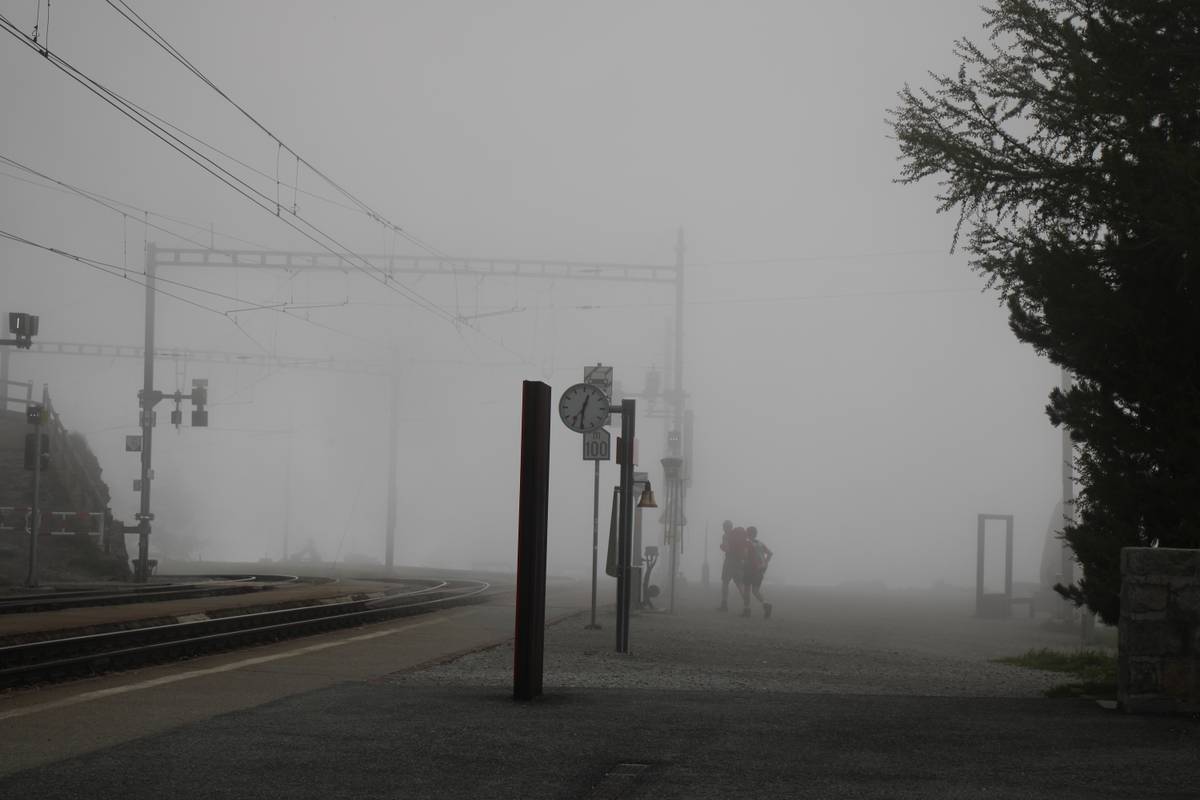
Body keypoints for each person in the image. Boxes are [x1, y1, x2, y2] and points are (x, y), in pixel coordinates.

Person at [718, 520, 749, 612]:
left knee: (725, 582)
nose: (723, 529)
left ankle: (724, 605)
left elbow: (727, 549)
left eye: (723, 527)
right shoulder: (739, 536)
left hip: (729, 561)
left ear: (725, 527)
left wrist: (722, 546)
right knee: (739, 584)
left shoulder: (726, 536)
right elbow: (745, 550)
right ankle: (747, 606)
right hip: (739, 562)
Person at [743, 526, 773, 618]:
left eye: (747, 532)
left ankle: (747, 610)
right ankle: (766, 604)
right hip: (760, 570)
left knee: (747, 590)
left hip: (750, 569)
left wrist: (742, 562)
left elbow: (745, 555)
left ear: (749, 533)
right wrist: (765, 563)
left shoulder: (747, 543)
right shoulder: (760, 543)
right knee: (755, 591)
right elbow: (770, 553)